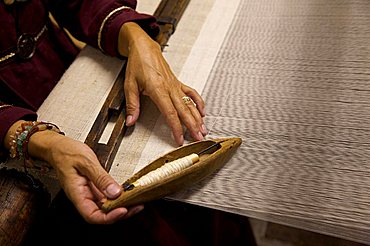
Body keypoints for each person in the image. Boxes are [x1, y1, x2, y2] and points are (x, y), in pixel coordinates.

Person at [0, 0, 256, 245]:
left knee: (209, 196)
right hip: (12, 123)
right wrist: (38, 141)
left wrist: (137, 40)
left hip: (70, 73)